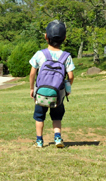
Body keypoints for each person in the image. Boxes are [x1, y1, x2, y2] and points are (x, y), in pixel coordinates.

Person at [29, 20, 75, 148]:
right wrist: (67, 87)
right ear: (64, 38)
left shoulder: (39, 54)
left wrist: (32, 88)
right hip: (58, 94)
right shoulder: (66, 56)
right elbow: (70, 76)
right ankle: (58, 138)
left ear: (46, 37)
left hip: (41, 93)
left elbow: (32, 73)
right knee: (57, 117)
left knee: (39, 117)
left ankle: (39, 141)